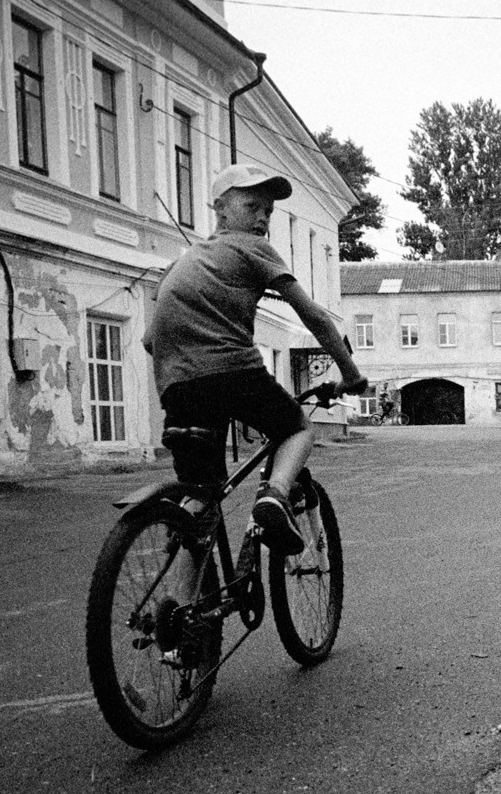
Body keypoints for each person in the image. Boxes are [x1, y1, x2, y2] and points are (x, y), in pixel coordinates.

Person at [145, 162, 367, 552]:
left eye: (268, 211)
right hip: (233, 374)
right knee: (297, 428)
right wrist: (351, 375)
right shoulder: (252, 248)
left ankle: (177, 609)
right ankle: (275, 497)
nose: (262, 218)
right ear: (221, 209)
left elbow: (150, 340)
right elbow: (314, 316)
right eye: (252, 207)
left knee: (199, 507)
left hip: (177, 389)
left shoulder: (177, 264)